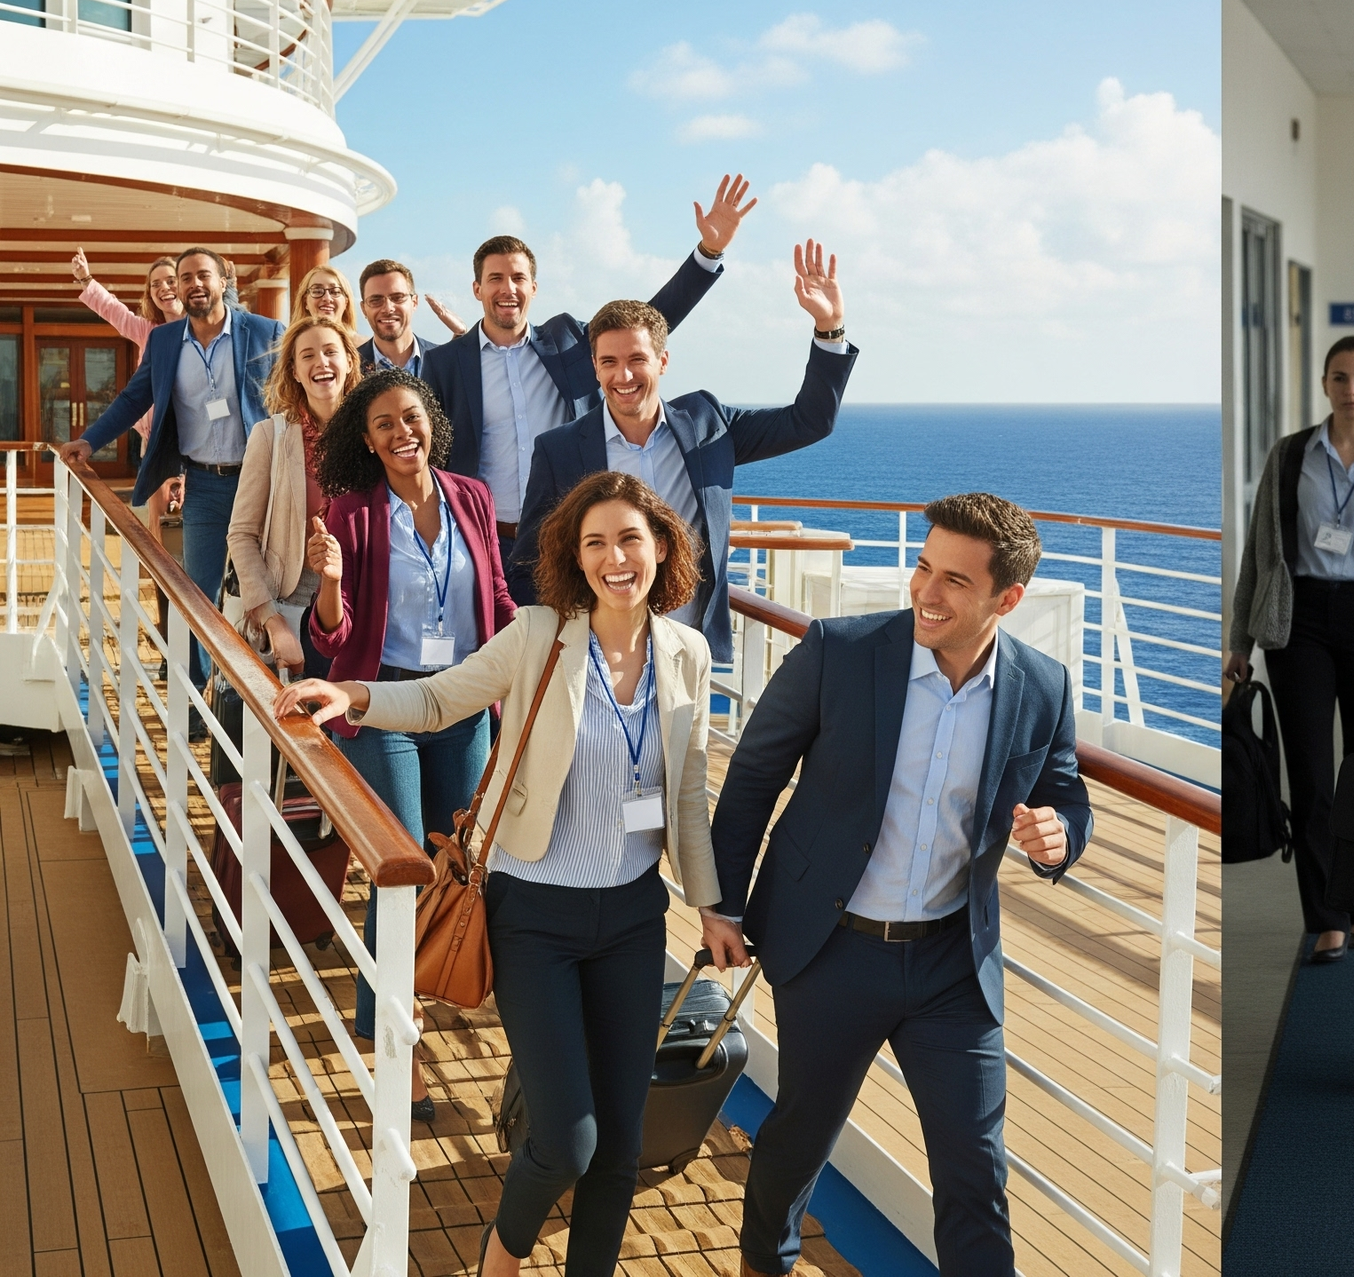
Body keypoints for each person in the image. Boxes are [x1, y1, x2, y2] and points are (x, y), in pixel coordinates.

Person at [278, 471, 719, 1277]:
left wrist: (715, 909)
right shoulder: (541, 635)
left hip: (631, 921)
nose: (615, 557)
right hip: (533, 916)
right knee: (565, 1140)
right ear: (574, 557)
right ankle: (501, 1260)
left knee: (621, 1143)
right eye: (596, 543)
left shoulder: (688, 652)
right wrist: (351, 695)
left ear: (661, 546)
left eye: (630, 539)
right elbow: (443, 699)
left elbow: (686, 793)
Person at [706, 492, 1092, 1277]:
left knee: (976, 1170)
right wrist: (722, 906)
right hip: (830, 951)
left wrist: (1060, 837)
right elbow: (751, 778)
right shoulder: (838, 652)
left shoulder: (1041, 687)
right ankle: (763, 1267)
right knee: (799, 1137)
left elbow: (1064, 787)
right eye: (923, 567)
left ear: (1006, 599)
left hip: (954, 964)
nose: (926, 591)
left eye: (954, 580)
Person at [304, 368, 517, 1060]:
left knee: (459, 863)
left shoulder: (472, 498)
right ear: (367, 442)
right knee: (402, 872)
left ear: (432, 422)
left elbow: (498, 597)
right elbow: (330, 637)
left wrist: (546, 651)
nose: (402, 432)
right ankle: (384, 1031)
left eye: (411, 417)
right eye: (385, 425)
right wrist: (331, 583)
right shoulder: (352, 513)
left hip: (462, 703)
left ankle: (427, 987)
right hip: (383, 704)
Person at [509, 240, 856, 657]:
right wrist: (552, 648)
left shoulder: (709, 425)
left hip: (688, 650)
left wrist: (829, 328)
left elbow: (810, 420)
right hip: (596, 656)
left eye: (637, 359)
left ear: (663, 361)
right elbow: (530, 564)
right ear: (595, 366)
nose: (623, 375)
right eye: (608, 362)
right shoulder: (559, 450)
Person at [423, 174, 755, 563]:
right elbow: (430, 455)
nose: (507, 289)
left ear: (534, 288)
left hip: (574, 539)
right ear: (477, 289)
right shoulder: (443, 363)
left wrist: (708, 253)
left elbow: (650, 320)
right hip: (481, 540)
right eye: (495, 278)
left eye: (518, 278)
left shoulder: (567, 342)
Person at [1224, 335, 1354, 964]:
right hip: (1300, 623)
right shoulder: (1292, 454)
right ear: (1324, 384)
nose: (1351, 389)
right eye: (1340, 377)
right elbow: (1260, 552)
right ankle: (1325, 915)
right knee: (1312, 777)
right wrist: (1241, 640)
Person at [60, 248, 282, 687]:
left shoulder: (264, 331)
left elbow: (296, 395)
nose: (194, 284)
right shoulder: (163, 341)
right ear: (178, 287)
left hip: (264, 482)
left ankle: (264, 695)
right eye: (186, 277)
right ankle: (198, 699)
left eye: (204, 275)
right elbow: (133, 398)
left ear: (223, 281)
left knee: (271, 588)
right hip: (204, 483)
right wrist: (90, 440)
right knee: (198, 595)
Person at [229, 315, 363, 678]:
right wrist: (272, 620)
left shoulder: (372, 435)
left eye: (331, 351)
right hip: (290, 604)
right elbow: (241, 535)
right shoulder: (269, 436)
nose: (321, 362)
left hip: (359, 606)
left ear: (349, 361)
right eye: (308, 355)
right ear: (294, 371)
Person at [68, 248, 179, 519]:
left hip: (195, 445)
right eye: (155, 284)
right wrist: (86, 280)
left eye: (171, 280)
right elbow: (115, 312)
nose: (163, 288)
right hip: (155, 442)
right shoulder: (148, 331)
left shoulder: (203, 330)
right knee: (160, 522)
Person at [358, 258, 452, 374]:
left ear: (414, 302)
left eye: (397, 298)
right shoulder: (349, 367)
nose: (388, 308)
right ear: (363, 309)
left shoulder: (444, 361)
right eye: (376, 300)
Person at [293, 264, 361, 345]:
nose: (327, 298)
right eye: (317, 291)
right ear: (305, 302)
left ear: (346, 302)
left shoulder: (365, 350)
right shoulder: (291, 349)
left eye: (335, 292)